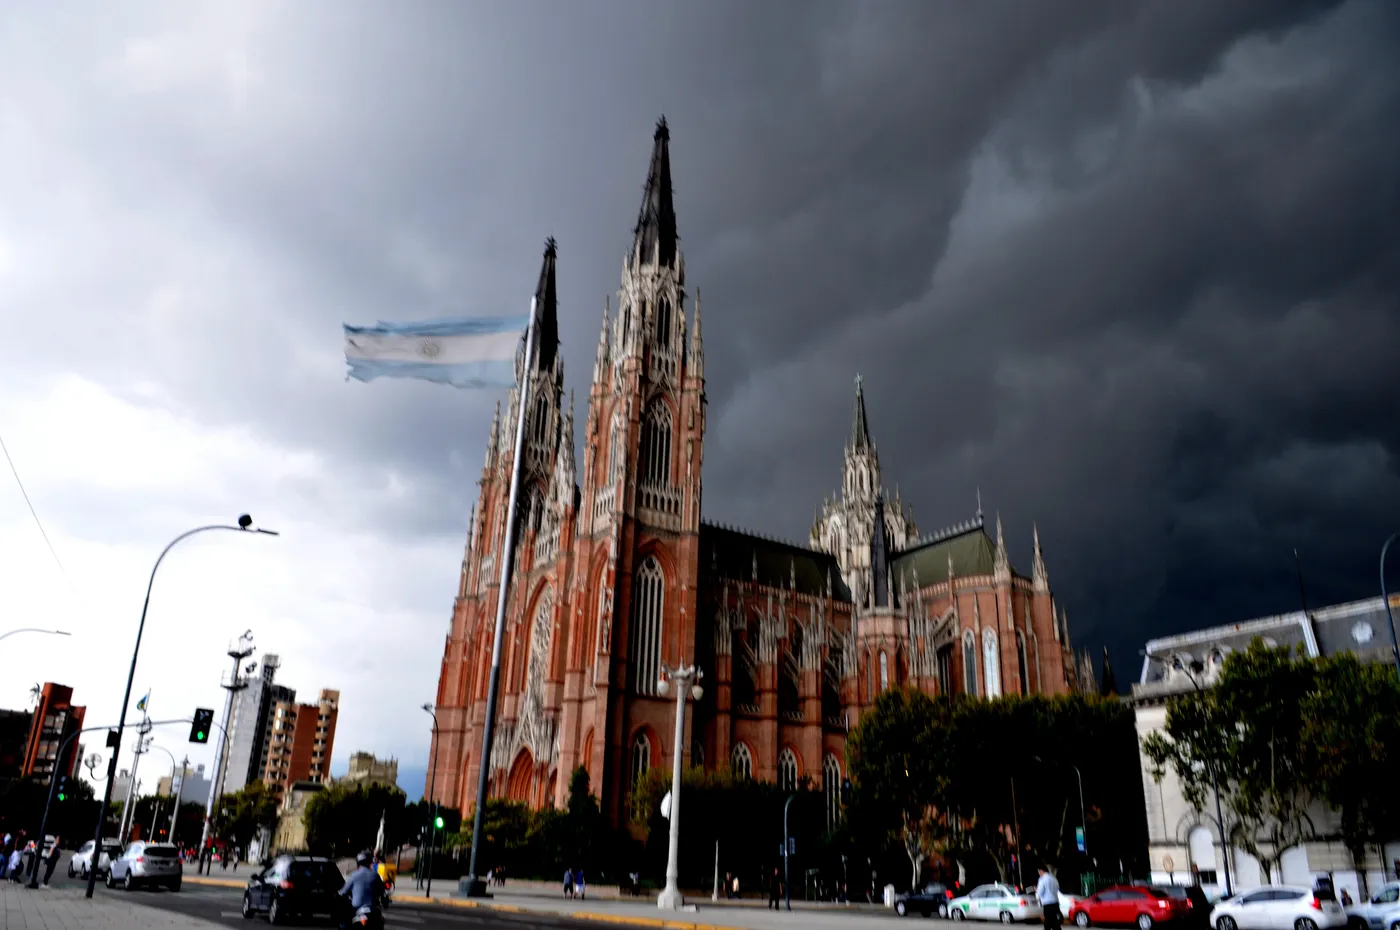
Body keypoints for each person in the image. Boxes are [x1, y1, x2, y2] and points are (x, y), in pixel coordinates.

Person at [339, 851, 385, 921]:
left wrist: (340, 893)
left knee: (345, 919)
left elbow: (343, 891)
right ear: (370, 862)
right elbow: (381, 890)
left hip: (356, 907)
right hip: (371, 907)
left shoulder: (354, 875)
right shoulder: (375, 875)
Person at [1036, 864, 1062, 930]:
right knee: (1055, 923)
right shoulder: (1053, 878)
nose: (1039, 873)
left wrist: (1037, 890)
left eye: (1039, 871)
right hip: (1056, 903)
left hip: (1048, 904)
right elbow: (1057, 888)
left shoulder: (1042, 879)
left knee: (1048, 923)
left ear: (1041, 871)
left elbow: (1040, 892)